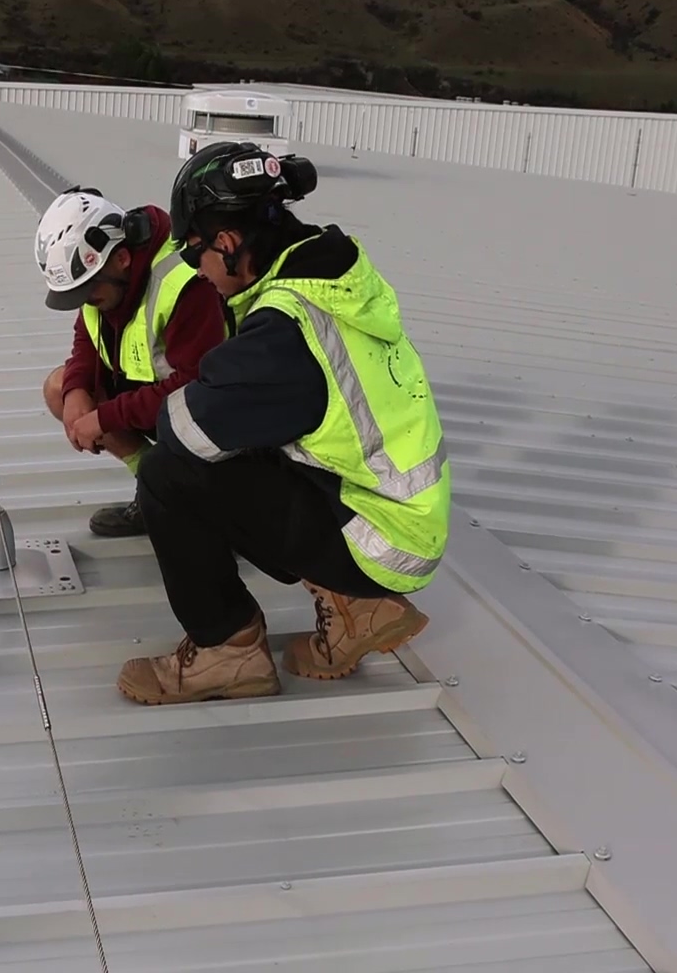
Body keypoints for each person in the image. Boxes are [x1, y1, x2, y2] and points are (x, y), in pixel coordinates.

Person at [115, 142, 452, 705]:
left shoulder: (284, 331)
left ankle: (228, 652)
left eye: (196, 257)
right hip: (403, 521)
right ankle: (356, 608)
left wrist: (156, 401)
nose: (199, 274)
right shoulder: (329, 270)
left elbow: (185, 430)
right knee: (245, 448)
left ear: (226, 244)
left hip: (380, 541)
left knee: (167, 473)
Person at [36, 186, 227, 537]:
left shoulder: (185, 281)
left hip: (210, 411)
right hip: (157, 400)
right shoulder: (104, 284)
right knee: (59, 388)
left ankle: (216, 512)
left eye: (88, 291)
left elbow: (197, 385)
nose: (87, 301)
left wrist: (105, 418)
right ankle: (157, 492)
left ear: (122, 258)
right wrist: (77, 390)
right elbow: (87, 339)